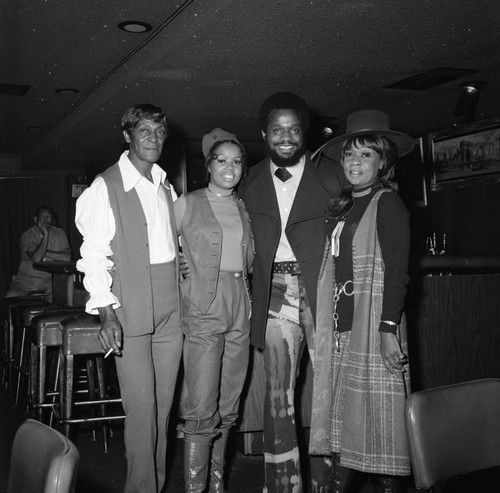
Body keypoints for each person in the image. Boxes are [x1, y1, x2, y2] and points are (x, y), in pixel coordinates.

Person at [238, 92, 346, 492]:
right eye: (277, 129)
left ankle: (330, 483)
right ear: (264, 134)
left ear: (306, 133)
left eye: (294, 129)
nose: (286, 137)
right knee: (278, 393)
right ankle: (283, 486)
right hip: (275, 291)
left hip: (323, 287)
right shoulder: (247, 182)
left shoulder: (333, 174)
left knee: (330, 389)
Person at [75, 103, 183, 493]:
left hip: (172, 307)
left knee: (163, 409)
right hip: (130, 305)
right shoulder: (104, 186)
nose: (153, 139)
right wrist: (107, 314)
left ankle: (153, 484)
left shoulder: (165, 184)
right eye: (144, 132)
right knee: (142, 412)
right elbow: (92, 255)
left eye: (158, 131)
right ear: (128, 136)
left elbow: (171, 245)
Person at [309, 110, 414, 493]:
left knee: (380, 426)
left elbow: (399, 272)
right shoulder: (343, 205)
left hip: (372, 329)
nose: (355, 162)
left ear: (382, 160)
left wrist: (388, 330)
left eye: (366, 155)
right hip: (341, 330)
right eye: (350, 154)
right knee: (346, 428)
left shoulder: (387, 203)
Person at [174, 128, 254, 492]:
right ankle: (196, 488)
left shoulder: (242, 206)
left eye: (236, 161)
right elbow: (155, 248)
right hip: (204, 302)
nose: (229, 167)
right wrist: (177, 262)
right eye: (221, 160)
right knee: (202, 404)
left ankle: (217, 484)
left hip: (241, 299)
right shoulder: (186, 203)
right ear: (208, 165)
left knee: (229, 402)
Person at [6, 206, 71, 301]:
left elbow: (67, 257)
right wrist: (46, 235)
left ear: (53, 220)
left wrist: (43, 252)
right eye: (43, 217)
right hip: (26, 281)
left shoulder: (60, 233)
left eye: (49, 217)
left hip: (50, 283)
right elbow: (36, 259)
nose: (46, 220)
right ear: (36, 219)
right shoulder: (27, 235)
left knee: (59, 304)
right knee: (8, 303)